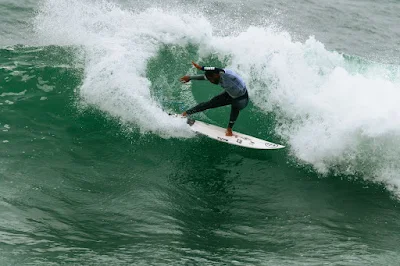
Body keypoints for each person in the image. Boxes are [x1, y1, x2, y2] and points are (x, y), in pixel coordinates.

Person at [180, 61, 249, 136]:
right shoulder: (215, 76)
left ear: (216, 75)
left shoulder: (227, 75)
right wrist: (190, 78)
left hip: (241, 98)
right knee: (209, 104)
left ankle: (229, 129)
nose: (211, 81)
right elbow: (203, 77)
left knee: (236, 107)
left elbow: (217, 69)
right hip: (229, 95)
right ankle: (185, 113)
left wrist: (202, 68)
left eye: (211, 79)